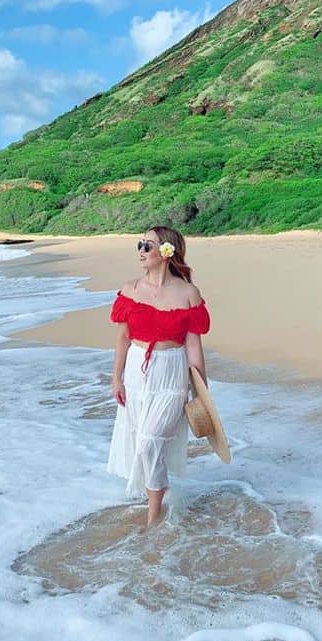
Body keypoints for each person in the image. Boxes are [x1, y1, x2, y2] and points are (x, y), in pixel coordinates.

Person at [107, 225, 210, 528]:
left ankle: (153, 515)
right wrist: (116, 378)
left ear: (167, 251)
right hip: (137, 371)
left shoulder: (188, 293)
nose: (141, 250)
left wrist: (202, 390)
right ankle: (156, 496)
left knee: (149, 443)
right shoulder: (130, 290)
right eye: (139, 244)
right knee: (142, 439)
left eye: (148, 246)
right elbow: (122, 339)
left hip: (171, 371)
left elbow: (193, 345)